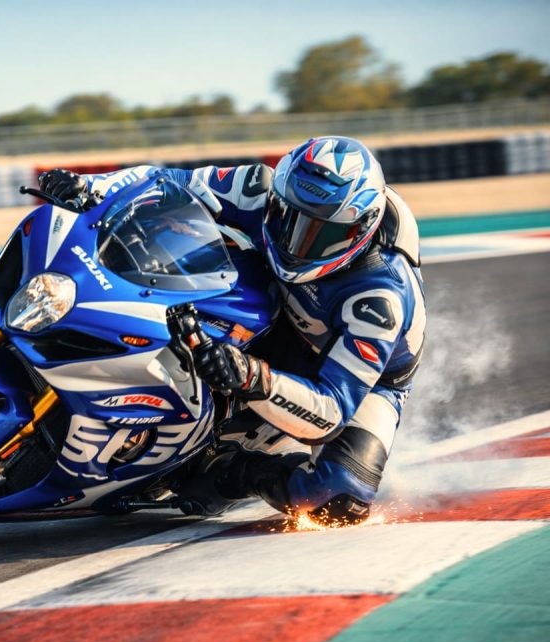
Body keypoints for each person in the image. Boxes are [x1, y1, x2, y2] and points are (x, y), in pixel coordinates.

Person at [39, 136, 426, 525]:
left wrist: (249, 377)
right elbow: (166, 182)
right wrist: (92, 187)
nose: (295, 242)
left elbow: (330, 412)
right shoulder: (261, 186)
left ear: (358, 231)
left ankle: (231, 470)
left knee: (334, 500)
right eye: (287, 216)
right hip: (277, 302)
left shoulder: (378, 302)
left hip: (351, 375)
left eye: (318, 234)